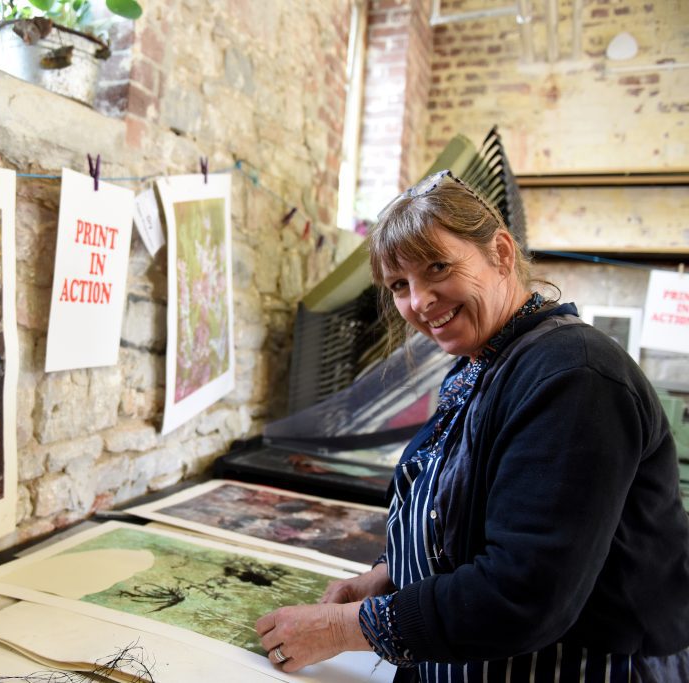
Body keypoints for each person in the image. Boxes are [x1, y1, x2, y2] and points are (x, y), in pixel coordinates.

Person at [255, 169, 689, 682]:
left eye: (437, 267)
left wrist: (345, 628)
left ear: (502, 252)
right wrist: (388, 575)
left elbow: (523, 594)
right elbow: (470, 513)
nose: (418, 302)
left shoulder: (575, 377)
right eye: (399, 285)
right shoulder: (483, 364)